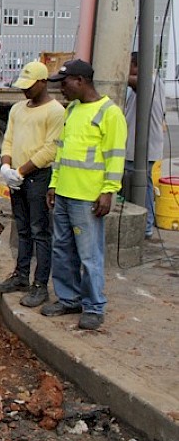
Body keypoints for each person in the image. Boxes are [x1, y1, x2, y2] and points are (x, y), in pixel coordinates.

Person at [42, 59, 127, 331]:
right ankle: (69, 298)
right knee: (62, 249)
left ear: (80, 81)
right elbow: (63, 150)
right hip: (65, 193)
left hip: (87, 198)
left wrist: (108, 191)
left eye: (64, 83)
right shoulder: (73, 110)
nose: (60, 90)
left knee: (89, 254)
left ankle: (93, 306)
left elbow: (115, 157)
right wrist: (54, 183)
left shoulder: (110, 114)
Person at [0, 61, 65, 308]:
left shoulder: (55, 111)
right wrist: (5, 167)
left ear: (43, 82)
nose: (25, 91)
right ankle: (21, 276)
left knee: (40, 232)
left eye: (29, 86)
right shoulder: (17, 109)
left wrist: (21, 171)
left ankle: (40, 285)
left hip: (37, 178)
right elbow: (9, 139)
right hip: (18, 177)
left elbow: (50, 149)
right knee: (22, 228)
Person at [123, 51, 165, 239]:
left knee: (141, 185)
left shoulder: (151, 82)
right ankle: (144, 224)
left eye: (129, 66)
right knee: (140, 184)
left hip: (143, 147)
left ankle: (145, 225)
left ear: (137, 66)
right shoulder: (145, 84)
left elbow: (132, 80)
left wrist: (115, 72)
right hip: (138, 146)